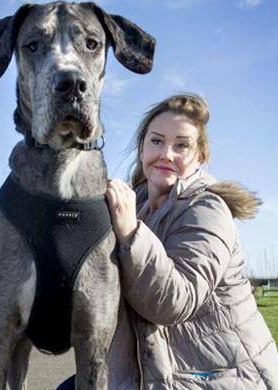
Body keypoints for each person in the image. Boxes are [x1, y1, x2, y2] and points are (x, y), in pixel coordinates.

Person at [101, 93, 278, 388]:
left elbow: (173, 302)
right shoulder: (136, 204)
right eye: (156, 141)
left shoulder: (208, 210)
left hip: (221, 377)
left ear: (201, 157)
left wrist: (131, 232)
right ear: (142, 148)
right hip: (159, 372)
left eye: (181, 145)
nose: (166, 153)